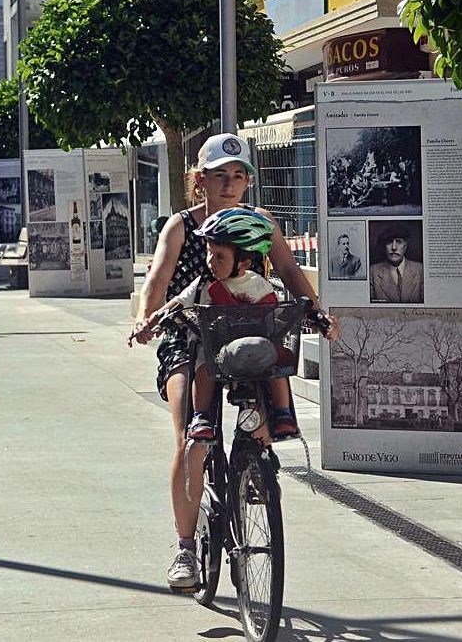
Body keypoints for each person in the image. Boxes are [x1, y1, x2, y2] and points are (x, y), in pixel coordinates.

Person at [127, 133, 338, 590]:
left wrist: (316, 311)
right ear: (198, 181)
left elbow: (289, 273)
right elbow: (159, 278)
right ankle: (185, 550)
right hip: (187, 332)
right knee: (190, 435)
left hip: (246, 332)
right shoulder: (181, 226)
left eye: (238, 176)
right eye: (218, 176)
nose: (229, 184)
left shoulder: (260, 222)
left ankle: (253, 459)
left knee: (268, 378)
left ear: (248, 182)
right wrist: (148, 319)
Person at [138, 207, 299, 443]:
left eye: (220, 257)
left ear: (243, 263)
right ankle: (202, 416)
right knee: (204, 369)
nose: (211, 262)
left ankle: (283, 413)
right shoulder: (204, 285)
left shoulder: (258, 285)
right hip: (219, 351)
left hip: (255, 346)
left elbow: (273, 311)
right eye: (209, 253)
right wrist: (156, 317)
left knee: (275, 369)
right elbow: (178, 301)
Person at [370, 226, 424, 303]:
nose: (394, 247)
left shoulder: (420, 270)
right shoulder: (372, 272)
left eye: (398, 242)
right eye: (389, 242)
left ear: (405, 246)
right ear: (384, 246)